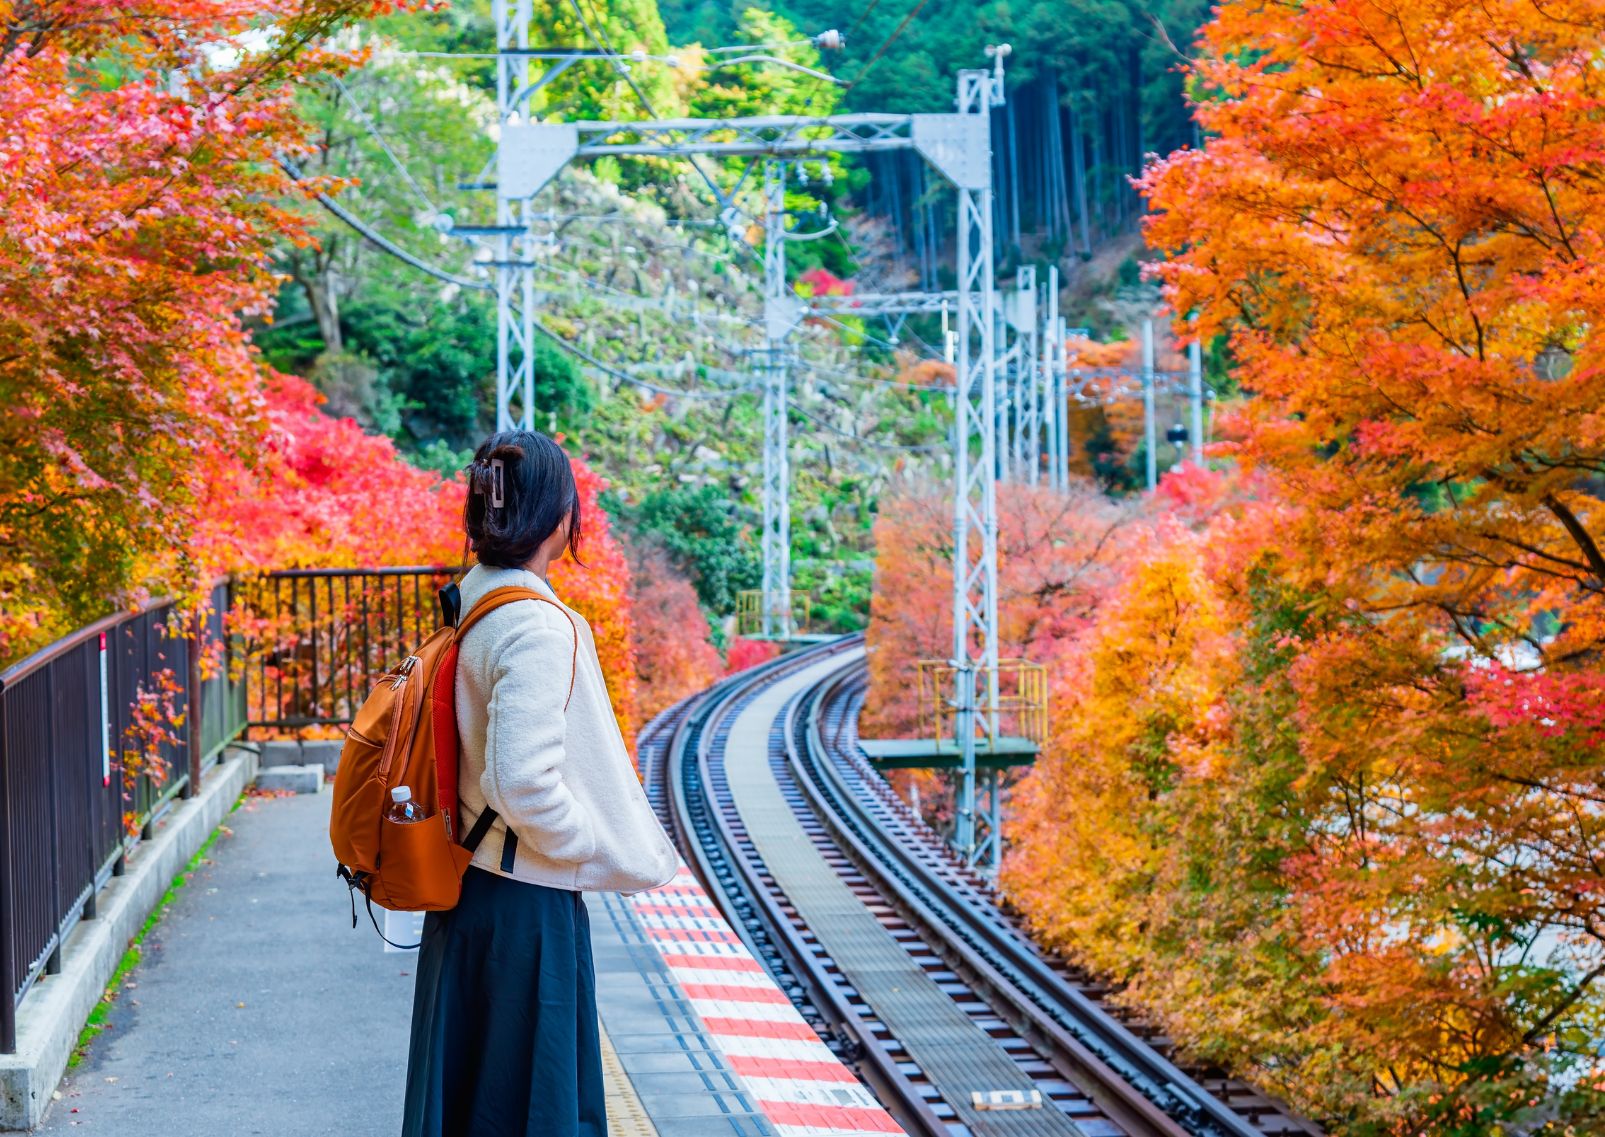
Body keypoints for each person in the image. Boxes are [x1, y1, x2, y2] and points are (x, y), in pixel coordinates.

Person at [403, 429, 680, 1137]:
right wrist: (581, 840)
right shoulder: (535, 625)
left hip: (469, 892)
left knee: (470, 1103)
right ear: (560, 518)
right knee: (534, 1105)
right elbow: (521, 779)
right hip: (524, 904)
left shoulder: (473, 605)